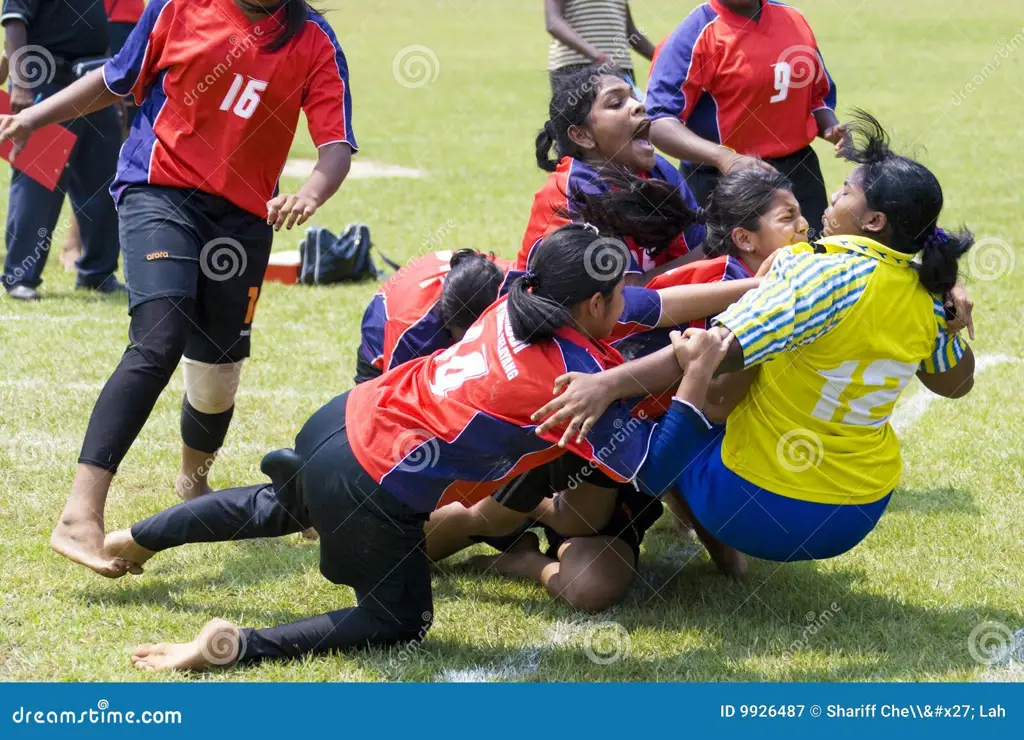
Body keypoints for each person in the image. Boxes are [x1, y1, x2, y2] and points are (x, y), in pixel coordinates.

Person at [100, 226, 664, 671]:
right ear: (592, 305)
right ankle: (235, 645)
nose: (624, 306)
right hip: (372, 478)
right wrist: (696, 370)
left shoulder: (516, 297)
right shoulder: (569, 385)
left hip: (341, 420)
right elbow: (657, 464)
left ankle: (140, 537)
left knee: (274, 505)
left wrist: (744, 296)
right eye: (616, 297)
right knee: (398, 622)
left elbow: (647, 307)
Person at [0, 0, 357, 576]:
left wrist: (311, 193)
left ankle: (193, 487)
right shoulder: (179, 7)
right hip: (158, 191)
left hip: (242, 220)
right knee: (158, 338)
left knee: (216, 378)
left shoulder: (314, 40)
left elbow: (335, 144)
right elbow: (115, 80)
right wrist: (33, 117)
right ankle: (79, 515)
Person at [532, 112, 977, 565]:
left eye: (845, 192)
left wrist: (607, 384)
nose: (830, 199)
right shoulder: (930, 295)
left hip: (755, 508)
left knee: (684, 403)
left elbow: (714, 355)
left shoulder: (812, 269)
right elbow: (955, 385)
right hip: (858, 513)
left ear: (875, 221)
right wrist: (947, 310)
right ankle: (715, 554)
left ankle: (558, 511)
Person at [645, 0, 848, 236]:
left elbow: (817, 93)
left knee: (810, 262)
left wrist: (829, 125)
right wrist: (724, 158)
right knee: (730, 270)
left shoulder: (793, 19)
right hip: (723, 183)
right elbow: (659, 120)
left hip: (798, 175)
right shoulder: (694, 33)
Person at [523, 66, 705, 283]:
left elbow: (694, 253)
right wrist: (719, 244)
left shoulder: (658, 172)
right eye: (616, 103)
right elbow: (624, 299)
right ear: (582, 136)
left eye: (634, 96)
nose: (639, 105)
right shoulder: (572, 191)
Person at [1, 0, 123, 300]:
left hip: (94, 86)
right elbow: (14, 23)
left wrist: (116, 89)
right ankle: (20, 276)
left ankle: (97, 272)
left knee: (103, 180)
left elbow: (98, 32)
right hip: (48, 83)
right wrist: (20, 85)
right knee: (38, 183)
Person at [60, 0, 147, 272]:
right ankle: (74, 243)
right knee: (82, 140)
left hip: (133, 19)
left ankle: (95, 247)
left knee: (121, 138)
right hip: (90, 17)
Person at [354, 249, 508, 384]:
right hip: (383, 343)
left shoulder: (505, 281)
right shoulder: (411, 330)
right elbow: (394, 397)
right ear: (447, 321)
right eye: (467, 337)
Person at [544, 0, 654, 92]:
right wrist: (596, 55)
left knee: (626, 116)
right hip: (576, 67)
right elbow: (554, 22)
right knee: (578, 117)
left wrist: (662, 56)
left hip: (619, 67)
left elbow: (630, 32)